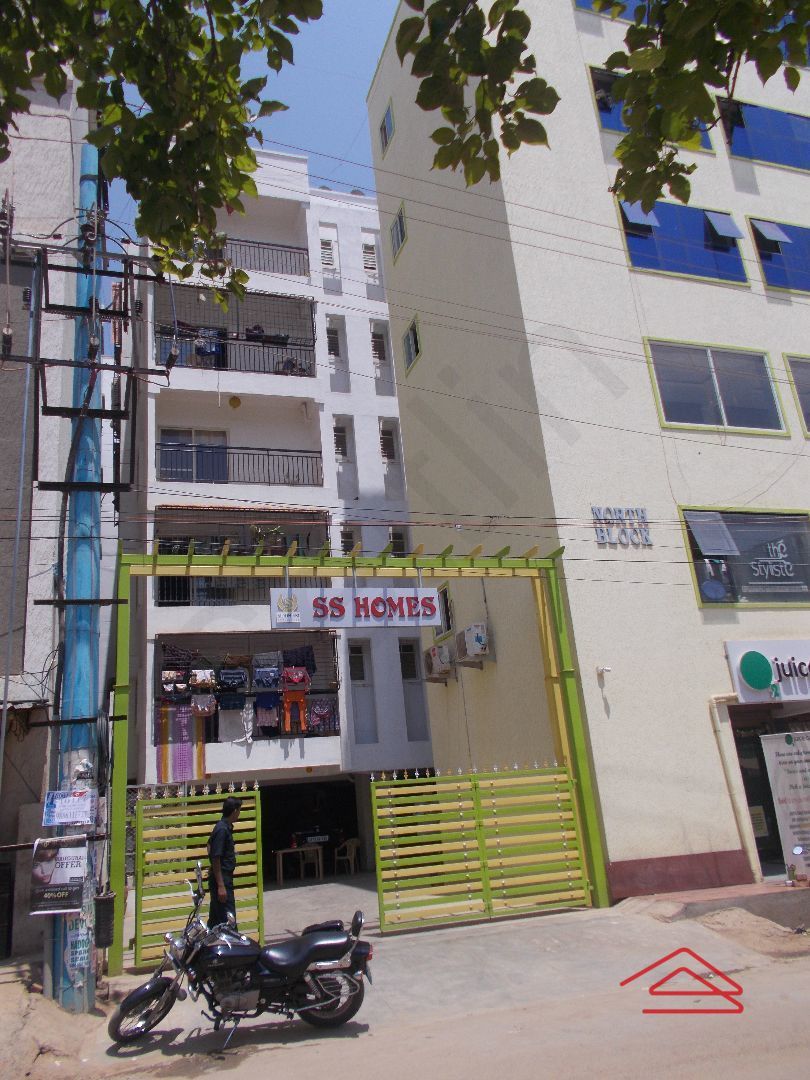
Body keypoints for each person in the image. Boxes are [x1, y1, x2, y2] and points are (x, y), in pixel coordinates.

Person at [207, 796, 242, 928]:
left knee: (215, 923)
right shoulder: (222, 829)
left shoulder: (223, 827)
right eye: (239, 810)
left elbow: (209, 846)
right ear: (234, 811)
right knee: (229, 923)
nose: (239, 814)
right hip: (222, 880)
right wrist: (221, 885)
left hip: (221, 878)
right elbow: (216, 857)